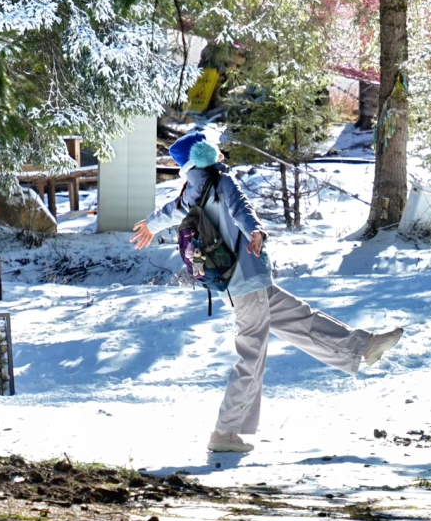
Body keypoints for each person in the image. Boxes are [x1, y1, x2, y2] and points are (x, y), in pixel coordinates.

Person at [132, 127, 403, 454]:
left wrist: (150, 225)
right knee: (251, 356)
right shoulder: (222, 181)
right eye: (213, 148)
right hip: (246, 281)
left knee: (302, 320)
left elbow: (169, 213)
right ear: (204, 155)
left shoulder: (191, 191)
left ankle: (362, 346)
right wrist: (255, 231)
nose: (220, 152)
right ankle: (225, 431)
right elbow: (241, 208)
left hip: (241, 285)